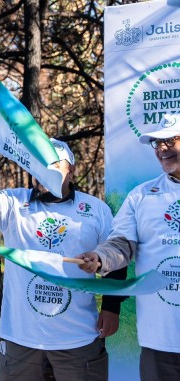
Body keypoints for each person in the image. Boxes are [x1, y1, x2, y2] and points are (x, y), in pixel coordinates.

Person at [0, 138, 127, 381]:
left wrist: (111, 308)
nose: (44, 172)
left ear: (72, 169)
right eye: (38, 165)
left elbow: (117, 258)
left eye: (54, 166)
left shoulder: (95, 209)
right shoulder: (14, 202)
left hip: (77, 335)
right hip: (21, 337)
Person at [77, 113, 180, 380]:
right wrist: (100, 258)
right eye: (157, 143)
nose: (161, 149)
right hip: (161, 340)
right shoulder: (142, 195)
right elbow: (121, 245)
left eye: (170, 140)